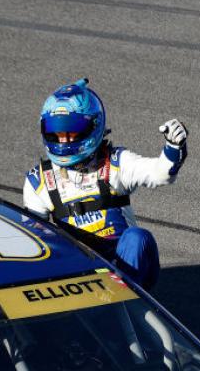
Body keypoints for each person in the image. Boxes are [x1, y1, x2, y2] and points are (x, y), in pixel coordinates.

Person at [23, 78, 187, 290]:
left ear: (93, 126)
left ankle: (128, 302)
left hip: (125, 265)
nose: (63, 141)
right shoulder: (39, 180)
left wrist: (174, 146)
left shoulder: (117, 162)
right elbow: (33, 245)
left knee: (138, 238)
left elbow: (161, 174)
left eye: (71, 132)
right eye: (56, 133)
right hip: (77, 273)